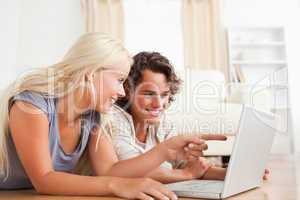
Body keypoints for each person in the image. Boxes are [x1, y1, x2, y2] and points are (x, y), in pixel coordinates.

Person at [0, 33, 223, 200]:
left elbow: (109, 170)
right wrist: (117, 185)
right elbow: (44, 179)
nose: (122, 92)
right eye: (118, 80)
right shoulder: (31, 105)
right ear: (90, 74)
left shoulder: (92, 117)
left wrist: (165, 150)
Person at [110, 51, 229, 183]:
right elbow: (132, 172)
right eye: (149, 94)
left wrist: (228, 174)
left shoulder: (164, 123)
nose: (158, 104)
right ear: (127, 90)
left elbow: (189, 166)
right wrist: (186, 174)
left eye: (164, 94)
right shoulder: (114, 119)